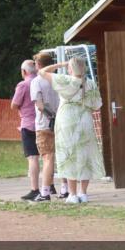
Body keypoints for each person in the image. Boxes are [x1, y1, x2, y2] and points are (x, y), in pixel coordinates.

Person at [38, 56, 104, 203]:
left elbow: (42, 72)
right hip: (85, 120)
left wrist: (61, 63)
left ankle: (72, 194)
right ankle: (83, 193)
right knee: (84, 155)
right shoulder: (91, 84)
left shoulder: (65, 80)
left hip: (66, 121)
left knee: (69, 156)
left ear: (70, 67)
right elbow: (97, 105)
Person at [32, 52, 63, 200]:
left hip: (45, 124)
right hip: (62, 120)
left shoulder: (37, 81)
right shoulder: (60, 80)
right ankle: (65, 188)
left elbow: (39, 105)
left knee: (47, 157)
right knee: (62, 155)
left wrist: (51, 116)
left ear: (38, 65)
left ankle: (45, 191)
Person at [11, 60, 41, 201]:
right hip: (45, 122)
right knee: (48, 156)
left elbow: (14, 104)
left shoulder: (23, 85)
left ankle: (35, 189)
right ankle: (50, 185)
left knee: (33, 157)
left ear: (24, 71)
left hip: (29, 124)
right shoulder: (44, 81)